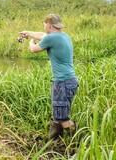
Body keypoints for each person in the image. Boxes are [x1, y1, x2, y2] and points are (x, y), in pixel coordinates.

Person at [19, 13, 78, 141]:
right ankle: (56, 143)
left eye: (44, 24)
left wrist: (30, 42)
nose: (44, 27)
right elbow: (42, 35)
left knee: (61, 117)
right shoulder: (63, 36)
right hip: (70, 81)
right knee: (59, 115)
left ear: (49, 25)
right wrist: (28, 32)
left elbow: (34, 49)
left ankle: (78, 139)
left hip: (62, 82)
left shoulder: (51, 39)